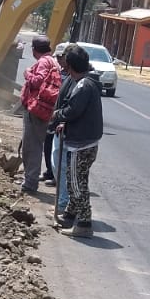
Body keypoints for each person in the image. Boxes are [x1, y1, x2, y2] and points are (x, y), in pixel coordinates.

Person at [50, 44, 104, 237]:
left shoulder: (83, 86)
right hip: (85, 141)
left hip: (81, 144)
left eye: (66, 65)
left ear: (71, 67)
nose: (64, 68)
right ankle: (70, 214)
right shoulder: (87, 83)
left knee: (76, 184)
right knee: (76, 179)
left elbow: (73, 111)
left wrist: (57, 115)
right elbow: (81, 114)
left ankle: (83, 223)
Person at [19, 37, 61, 193]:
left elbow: (37, 81)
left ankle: (30, 183)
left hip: (36, 110)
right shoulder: (53, 61)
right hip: (44, 110)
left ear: (34, 50)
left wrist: (27, 74)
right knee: (34, 144)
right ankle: (30, 179)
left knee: (32, 147)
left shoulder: (43, 62)